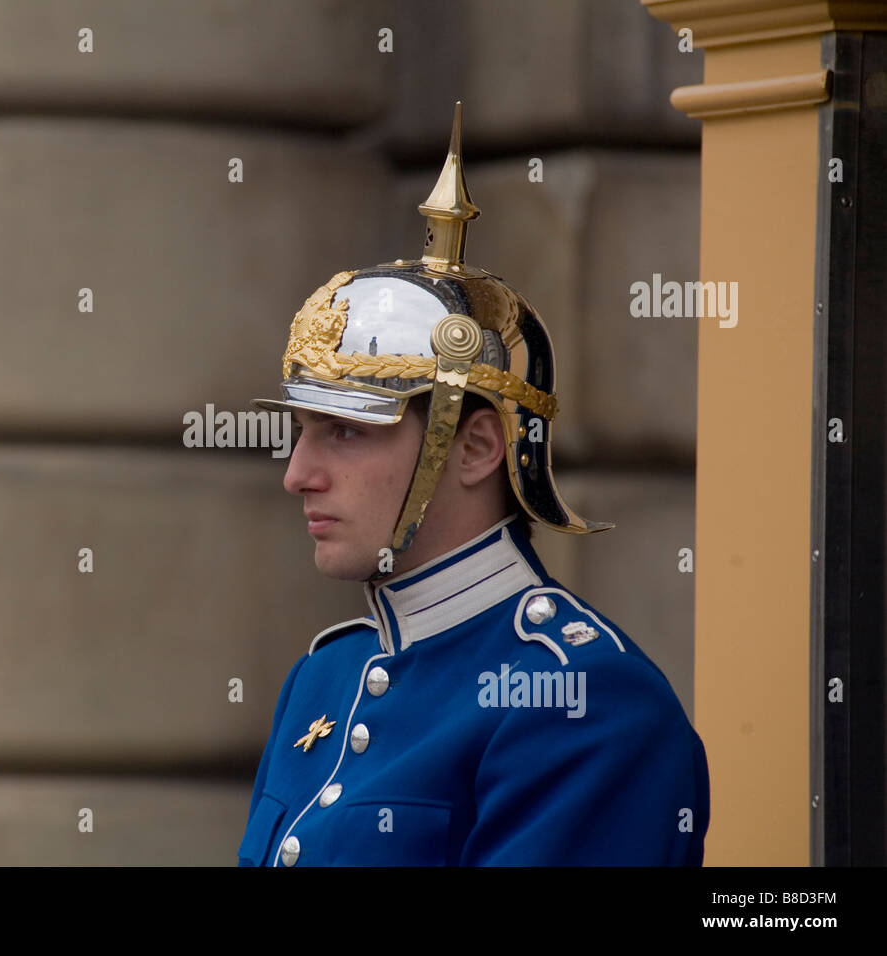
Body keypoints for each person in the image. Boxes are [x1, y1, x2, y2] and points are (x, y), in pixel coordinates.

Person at [238, 103, 709, 866]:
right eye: (302, 432)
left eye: (347, 432)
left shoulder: (585, 698)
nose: (298, 474)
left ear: (476, 446)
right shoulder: (325, 676)